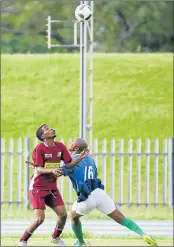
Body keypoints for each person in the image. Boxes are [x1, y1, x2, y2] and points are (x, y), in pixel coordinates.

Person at [56, 137, 158, 246]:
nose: (69, 142)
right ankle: (143, 234)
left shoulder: (72, 162)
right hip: (99, 193)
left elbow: (59, 171)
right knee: (120, 217)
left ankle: (81, 242)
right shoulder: (90, 159)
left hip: (87, 198)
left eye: (72, 142)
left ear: (76, 147)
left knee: (74, 217)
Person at [19, 125, 88, 246]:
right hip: (37, 188)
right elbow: (39, 169)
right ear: (43, 136)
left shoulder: (60, 146)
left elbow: (69, 164)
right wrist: (52, 170)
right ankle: (23, 240)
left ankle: (55, 238)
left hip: (52, 188)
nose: (52, 129)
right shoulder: (39, 148)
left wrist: (80, 158)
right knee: (39, 219)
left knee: (63, 215)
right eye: (48, 129)